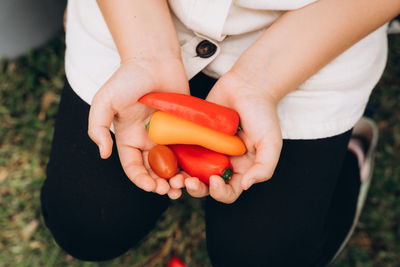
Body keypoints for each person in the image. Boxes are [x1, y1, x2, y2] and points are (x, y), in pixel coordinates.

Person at [40, 0, 400, 266]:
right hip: (137, 19)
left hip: (311, 42)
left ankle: (349, 153)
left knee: (266, 257)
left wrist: (260, 82)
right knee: (86, 221)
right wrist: (145, 54)